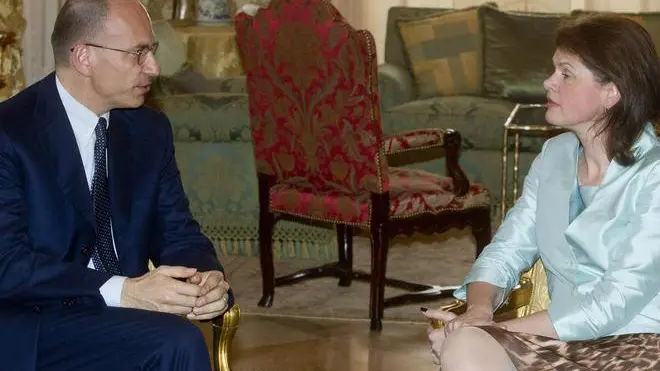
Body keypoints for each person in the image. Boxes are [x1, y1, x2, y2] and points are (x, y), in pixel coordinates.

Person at [0, 0, 232, 370]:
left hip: (119, 316)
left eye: (152, 52)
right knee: (176, 341)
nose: (154, 68)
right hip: (32, 319)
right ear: (84, 57)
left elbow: (179, 233)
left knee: (171, 338)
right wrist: (125, 290)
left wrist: (205, 277)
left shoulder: (149, 131)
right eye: (138, 54)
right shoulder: (10, 133)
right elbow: (8, 265)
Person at [424, 14, 660, 371]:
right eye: (553, 70)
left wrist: (497, 331)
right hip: (559, 340)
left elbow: (615, 302)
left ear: (611, 91)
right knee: (464, 348)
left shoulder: (654, 173)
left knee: (469, 342)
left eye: (566, 73)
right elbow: (506, 250)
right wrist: (477, 312)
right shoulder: (554, 156)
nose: (549, 82)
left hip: (636, 344)